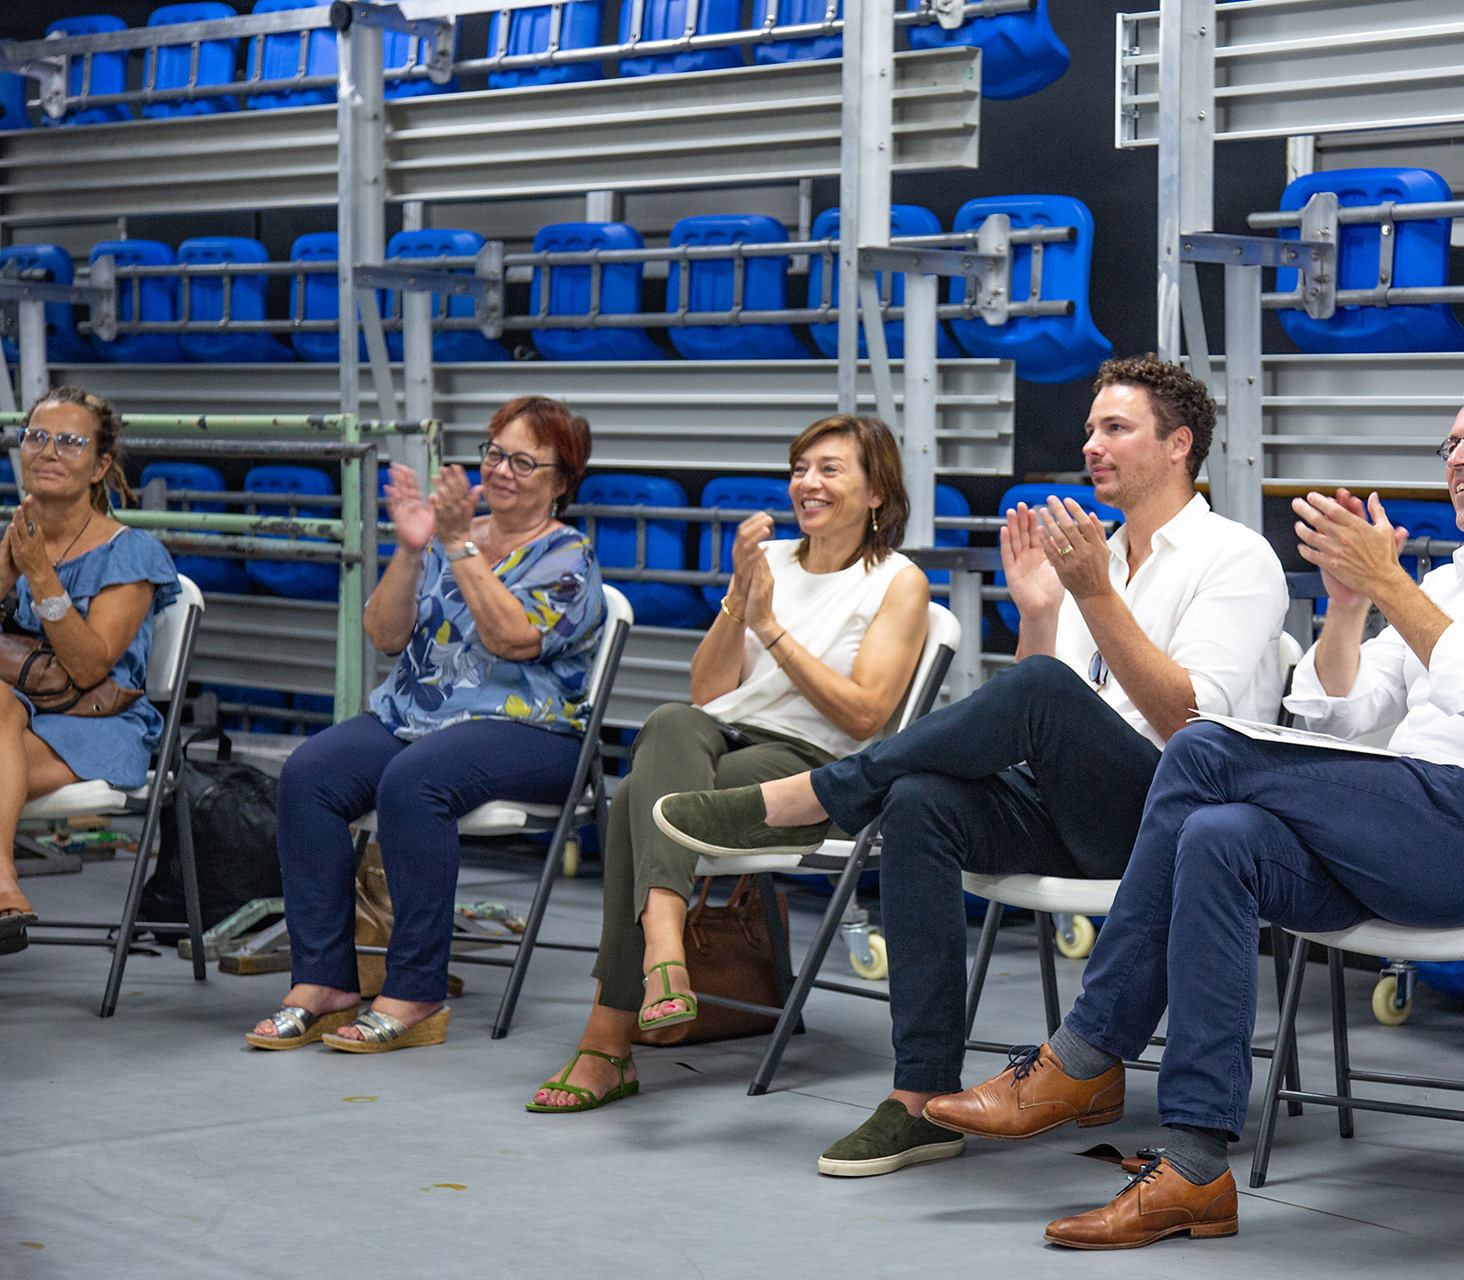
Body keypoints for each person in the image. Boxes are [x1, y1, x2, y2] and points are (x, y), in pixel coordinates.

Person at [920, 370, 1464, 1251]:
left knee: (1202, 749)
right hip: (1399, 834)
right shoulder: (1450, 585)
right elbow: (1339, 712)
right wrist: (1347, 610)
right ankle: (1195, 1167)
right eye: (1452, 442)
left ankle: (1082, 1054)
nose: (1457, 457)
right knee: (1219, 836)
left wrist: (1390, 585)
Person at [652, 353, 1292, 1176]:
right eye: (1090, 428)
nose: (1091, 445)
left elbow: (1186, 722)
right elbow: (1036, 717)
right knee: (920, 801)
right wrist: (1040, 614)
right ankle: (920, 1099)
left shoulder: (1236, 556)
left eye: (1115, 428)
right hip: (1080, 810)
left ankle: (820, 795)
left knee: (1039, 689)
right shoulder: (1094, 555)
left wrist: (1091, 597)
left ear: (1179, 446)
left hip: (1176, 824)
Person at [527, 414, 931, 1112]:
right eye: (799, 469)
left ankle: (608, 1038)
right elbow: (708, 693)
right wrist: (741, 601)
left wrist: (770, 628)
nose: (807, 483)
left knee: (635, 801)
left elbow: (865, 715)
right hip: (726, 738)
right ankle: (664, 952)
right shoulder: (769, 561)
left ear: (876, 492)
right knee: (668, 719)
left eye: (829, 469)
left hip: (819, 771)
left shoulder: (898, 582)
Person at [246, 396, 604, 1052]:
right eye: (495, 453)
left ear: (562, 482)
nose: (501, 469)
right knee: (310, 775)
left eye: (524, 462)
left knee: (414, 781)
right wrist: (413, 551)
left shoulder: (567, 559)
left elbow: (512, 640)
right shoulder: (450, 536)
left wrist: (458, 543)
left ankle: (415, 992)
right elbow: (385, 635)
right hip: (417, 718)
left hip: (534, 733)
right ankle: (324, 981)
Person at [0, 387, 181, 957]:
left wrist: (40, 577)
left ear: (100, 466)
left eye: (70, 442)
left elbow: (88, 666)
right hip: (14, 714)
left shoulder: (131, 552)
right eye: (36, 437)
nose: (49, 451)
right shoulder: (11, 537)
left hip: (96, 720)